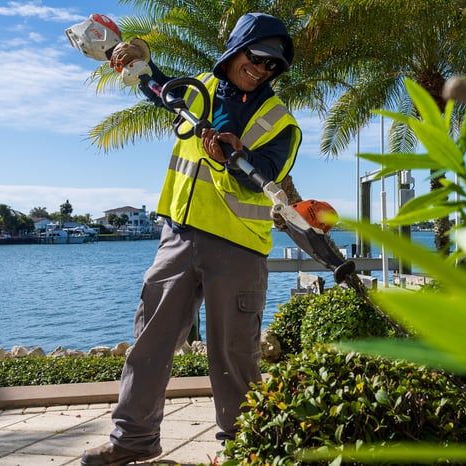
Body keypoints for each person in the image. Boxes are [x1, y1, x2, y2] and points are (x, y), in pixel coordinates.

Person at [81, 12, 301, 466]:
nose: (262, 69)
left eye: (272, 66)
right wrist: (136, 52)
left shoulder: (283, 122)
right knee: (150, 342)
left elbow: (264, 175)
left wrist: (236, 155)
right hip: (177, 237)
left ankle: (245, 447)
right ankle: (132, 440)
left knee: (234, 352)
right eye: (257, 57)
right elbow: (154, 81)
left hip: (238, 249)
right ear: (236, 49)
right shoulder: (197, 89)